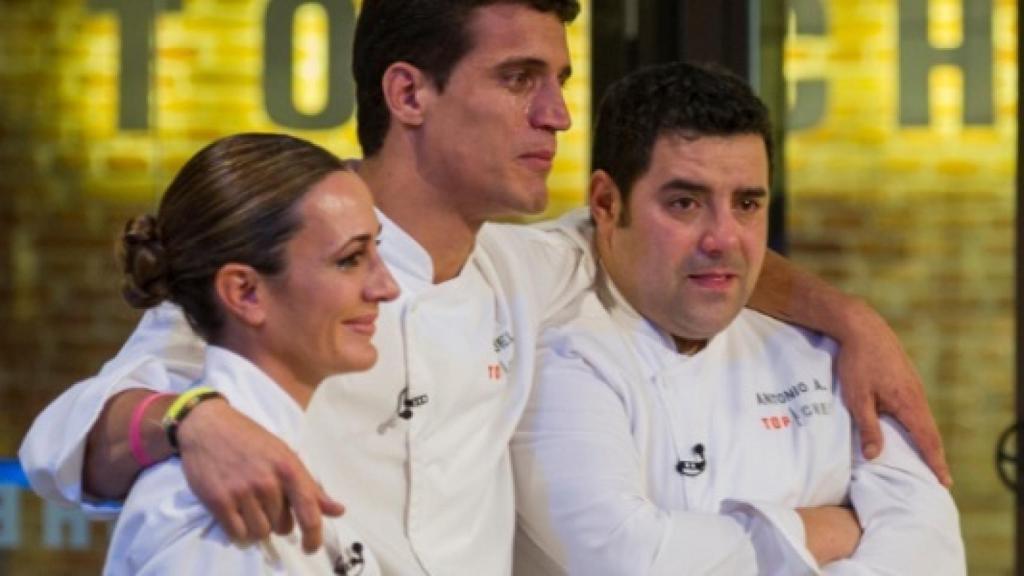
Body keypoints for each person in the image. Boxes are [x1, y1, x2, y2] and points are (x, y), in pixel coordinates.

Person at [20, 1, 949, 574]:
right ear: (409, 94)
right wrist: (191, 423)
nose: (556, 115)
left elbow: (689, 241)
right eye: (520, 79)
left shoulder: (524, 266)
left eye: (560, 81)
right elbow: (66, 442)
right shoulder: (283, 273)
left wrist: (849, 317)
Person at [510, 62, 965, 575]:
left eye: (747, 203)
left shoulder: (827, 354)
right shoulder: (560, 357)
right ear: (607, 203)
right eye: (685, 203)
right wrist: (823, 530)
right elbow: (631, 559)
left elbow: (931, 550)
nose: (723, 238)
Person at [101, 133, 397, 574]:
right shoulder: (211, 515)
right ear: (245, 292)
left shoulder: (285, 451)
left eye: (378, 248)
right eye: (350, 259)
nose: (386, 286)